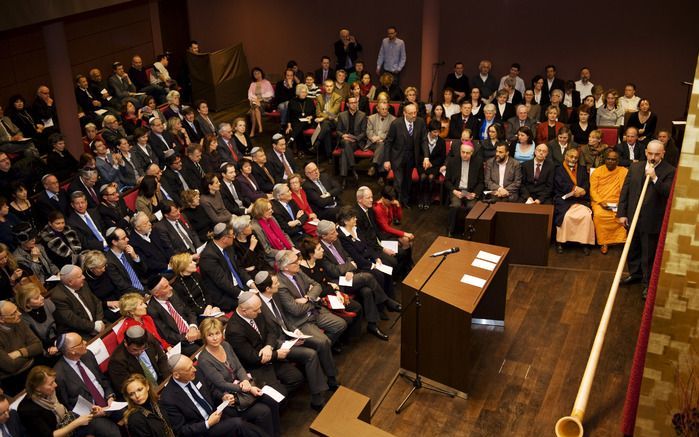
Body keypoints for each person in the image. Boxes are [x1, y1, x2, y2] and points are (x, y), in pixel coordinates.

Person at [162, 352, 272, 437]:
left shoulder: (196, 373)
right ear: (176, 375)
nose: (194, 369)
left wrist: (223, 396)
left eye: (192, 365)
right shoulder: (169, 398)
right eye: (189, 369)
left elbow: (211, 389)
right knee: (238, 424)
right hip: (203, 429)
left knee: (261, 410)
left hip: (217, 411)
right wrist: (208, 423)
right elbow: (182, 431)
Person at [617, 140, 675, 299]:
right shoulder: (635, 167)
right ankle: (635, 274)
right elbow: (625, 191)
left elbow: (668, 192)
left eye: (657, 154)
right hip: (632, 216)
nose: (653, 157)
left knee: (648, 253)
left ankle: (647, 283)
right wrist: (622, 213)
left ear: (663, 153)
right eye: (651, 153)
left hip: (652, 219)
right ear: (646, 152)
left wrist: (655, 178)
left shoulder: (670, 170)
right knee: (633, 248)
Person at [224, 292, 304, 398]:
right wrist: (276, 355)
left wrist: (268, 347)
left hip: (269, 355)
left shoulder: (256, 311)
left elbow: (271, 332)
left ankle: (278, 398)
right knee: (280, 394)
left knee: (297, 378)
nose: (260, 311)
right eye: (256, 310)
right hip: (256, 367)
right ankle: (276, 398)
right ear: (244, 311)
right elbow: (251, 358)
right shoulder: (234, 330)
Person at [275, 250, 348, 347]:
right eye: (295, 262)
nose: (299, 263)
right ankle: (323, 348)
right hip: (301, 320)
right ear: (285, 267)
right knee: (323, 342)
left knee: (341, 324)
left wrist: (308, 297)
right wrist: (313, 301)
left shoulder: (298, 272)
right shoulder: (280, 285)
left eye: (298, 260)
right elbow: (296, 310)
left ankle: (323, 349)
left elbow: (317, 285)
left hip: (314, 311)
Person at [53, 332, 121, 437]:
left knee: (133, 416)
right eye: (81, 343)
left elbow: (102, 379)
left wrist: (110, 396)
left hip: (109, 403)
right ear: (72, 351)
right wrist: (92, 411)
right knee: (113, 434)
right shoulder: (59, 374)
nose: (85, 342)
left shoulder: (88, 354)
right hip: (90, 416)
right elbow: (67, 405)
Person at [18, 365, 94, 436]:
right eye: (50, 384)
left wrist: (90, 409)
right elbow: (49, 435)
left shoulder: (52, 390)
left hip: (70, 424)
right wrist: (76, 423)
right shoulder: (27, 410)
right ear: (37, 388)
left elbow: (67, 406)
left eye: (54, 381)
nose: (55, 385)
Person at [199, 222, 256, 311]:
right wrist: (243, 295)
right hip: (225, 295)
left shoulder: (228, 246)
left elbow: (238, 268)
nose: (234, 237)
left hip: (238, 287)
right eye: (232, 235)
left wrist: (251, 283)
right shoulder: (208, 256)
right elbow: (222, 282)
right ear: (224, 239)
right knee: (253, 304)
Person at [383, 103, 430, 206]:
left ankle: (405, 201)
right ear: (404, 113)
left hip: (412, 158)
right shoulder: (396, 124)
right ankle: (396, 204)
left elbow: (423, 140)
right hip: (398, 157)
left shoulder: (420, 122)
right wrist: (386, 160)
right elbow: (388, 142)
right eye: (411, 113)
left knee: (407, 181)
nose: (414, 115)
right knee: (398, 182)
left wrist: (426, 157)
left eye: (415, 112)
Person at [147, 274, 202, 356]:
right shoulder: (152, 310)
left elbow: (189, 311)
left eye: (169, 284)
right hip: (181, 342)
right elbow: (167, 335)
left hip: (193, 329)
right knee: (198, 350)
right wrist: (187, 337)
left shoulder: (172, 294)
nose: (171, 288)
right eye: (166, 287)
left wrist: (193, 327)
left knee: (213, 330)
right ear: (157, 293)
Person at [553, 148, 594, 255]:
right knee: (566, 217)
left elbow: (586, 183)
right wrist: (574, 189)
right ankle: (560, 242)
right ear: (565, 156)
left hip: (580, 199)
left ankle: (584, 243)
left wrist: (583, 190)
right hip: (565, 198)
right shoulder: (558, 169)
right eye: (571, 156)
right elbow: (559, 183)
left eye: (576, 157)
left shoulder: (582, 169)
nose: (573, 159)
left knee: (586, 216)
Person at [108, 325, 170, 394]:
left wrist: (167, 381)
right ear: (125, 343)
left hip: (161, 382)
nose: (140, 352)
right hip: (142, 394)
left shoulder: (149, 339)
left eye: (143, 348)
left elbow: (162, 358)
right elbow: (126, 388)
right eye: (135, 350)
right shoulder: (117, 361)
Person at [50, 265, 105, 338]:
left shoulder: (83, 284)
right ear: (70, 282)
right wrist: (94, 326)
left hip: (98, 324)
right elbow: (73, 320)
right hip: (80, 334)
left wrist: (99, 320)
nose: (84, 277)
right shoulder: (58, 296)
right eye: (80, 276)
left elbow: (97, 302)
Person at [590, 150, 628, 254]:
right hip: (600, 202)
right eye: (608, 159)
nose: (611, 161)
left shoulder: (623, 171)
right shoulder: (597, 171)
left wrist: (620, 203)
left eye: (613, 159)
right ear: (604, 160)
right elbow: (593, 190)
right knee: (599, 215)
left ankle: (621, 241)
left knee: (620, 215)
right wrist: (601, 202)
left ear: (617, 161)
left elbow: (625, 189)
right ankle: (604, 242)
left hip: (618, 201)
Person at [0, 300, 43, 389]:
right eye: (13, 314)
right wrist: (29, 352)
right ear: (1, 319)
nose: (19, 314)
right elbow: (11, 366)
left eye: (17, 310)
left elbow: (38, 346)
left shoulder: (18, 321)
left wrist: (19, 352)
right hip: (14, 379)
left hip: (33, 367)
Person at [444, 142, 484, 236]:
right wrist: (454, 191)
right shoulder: (452, 161)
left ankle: (469, 231)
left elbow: (481, 182)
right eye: (463, 152)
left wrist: (475, 193)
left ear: (472, 153)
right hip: (457, 190)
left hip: (470, 191)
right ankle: (450, 229)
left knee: (472, 207)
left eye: (467, 153)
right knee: (455, 205)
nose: (465, 155)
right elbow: (447, 181)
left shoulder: (478, 162)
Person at [171, 252, 221, 316]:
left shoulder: (195, 275)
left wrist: (209, 305)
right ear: (183, 267)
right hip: (196, 315)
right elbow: (187, 308)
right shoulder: (177, 286)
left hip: (209, 308)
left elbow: (206, 292)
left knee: (216, 310)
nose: (195, 263)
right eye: (191, 262)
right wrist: (205, 312)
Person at [16, 282, 58, 353]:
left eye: (40, 295)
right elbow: (35, 340)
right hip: (46, 347)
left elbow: (61, 323)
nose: (42, 298)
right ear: (27, 303)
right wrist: (49, 349)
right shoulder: (23, 318)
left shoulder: (47, 303)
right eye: (37, 298)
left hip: (60, 337)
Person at [250, 197, 293, 265]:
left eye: (271, 208)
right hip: (273, 257)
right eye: (268, 209)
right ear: (260, 211)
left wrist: (292, 246)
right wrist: (284, 252)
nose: (272, 211)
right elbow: (267, 250)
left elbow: (283, 234)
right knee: (294, 264)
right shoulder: (256, 227)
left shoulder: (272, 218)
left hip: (285, 249)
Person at [104, 227, 147, 294]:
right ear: (114, 242)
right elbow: (123, 286)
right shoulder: (109, 262)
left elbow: (144, 271)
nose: (127, 239)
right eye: (124, 238)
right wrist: (143, 294)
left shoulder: (129, 250)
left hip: (145, 286)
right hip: (131, 295)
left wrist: (135, 257)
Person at [336, 96, 367, 185]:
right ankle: (352, 167)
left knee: (343, 152)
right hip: (345, 140)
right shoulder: (342, 115)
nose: (354, 104)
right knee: (346, 142)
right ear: (347, 104)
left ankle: (343, 178)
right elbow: (338, 130)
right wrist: (343, 135)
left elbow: (364, 132)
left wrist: (355, 138)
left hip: (356, 141)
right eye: (352, 103)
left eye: (355, 102)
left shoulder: (362, 115)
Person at [417, 120, 446, 209]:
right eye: (434, 132)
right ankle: (421, 197)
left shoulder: (441, 142)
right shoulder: (422, 139)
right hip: (422, 164)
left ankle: (429, 197)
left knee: (431, 177)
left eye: (438, 132)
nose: (436, 134)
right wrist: (425, 161)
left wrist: (432, 163)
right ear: (429, 130)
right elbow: (418, 154)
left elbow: (442, 157)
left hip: (434, 165)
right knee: (422, 177)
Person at [285, 84, 316, 154]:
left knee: (301, 124)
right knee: (299, 126)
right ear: (298, 92)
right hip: (295, 122)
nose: (304, 94)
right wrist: (289, 126)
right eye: (302, 92)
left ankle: (291, 140)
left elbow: (314, 113)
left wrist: (311, 117)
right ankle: (302, 150)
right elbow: (289, 115)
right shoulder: (292, 101)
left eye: (305, 92)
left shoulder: (310, 101)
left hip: (308, 122)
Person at [247, 67, 274, 137]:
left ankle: (253, 130)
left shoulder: (266, 82)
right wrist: (255, 99)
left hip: (265, 102)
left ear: (261, 73)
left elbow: (270, 94)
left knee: (254, 108)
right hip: (255, 102)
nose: (257, 75)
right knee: (255, 108)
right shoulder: (252, 84)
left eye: (258, 73)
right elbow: (250, 94)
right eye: (255, 74)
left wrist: (260, 99)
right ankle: (259, 126)